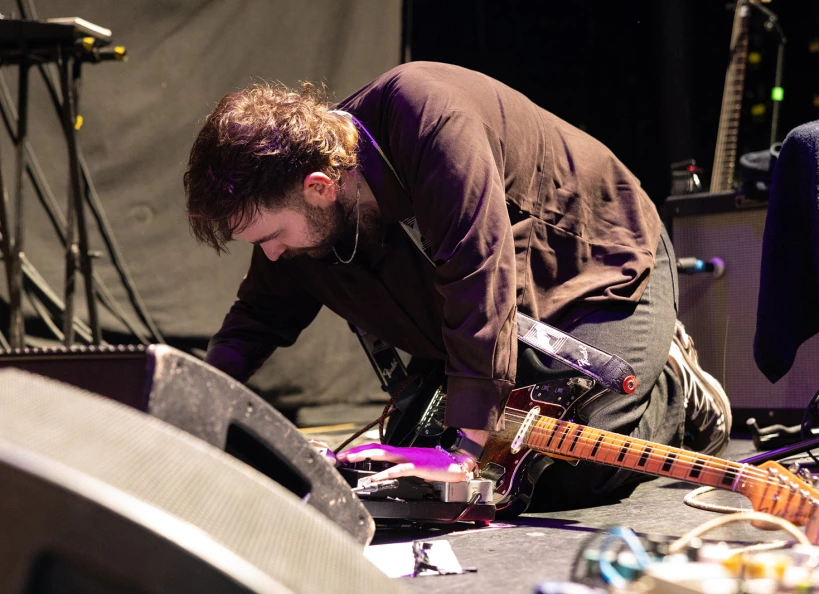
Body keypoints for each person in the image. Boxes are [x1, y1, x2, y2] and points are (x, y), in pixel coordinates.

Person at [184, 62, 731, 507]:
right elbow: (258, 317)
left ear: (320, 187)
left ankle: (676, 392)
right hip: (510, 310)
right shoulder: (300, 208)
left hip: (600, 266)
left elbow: (480, 274)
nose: (271, 254)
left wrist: (469, 452)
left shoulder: (424, 115)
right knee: (409, 454)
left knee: (556, 468)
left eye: (272, 236)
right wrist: (188, 406)